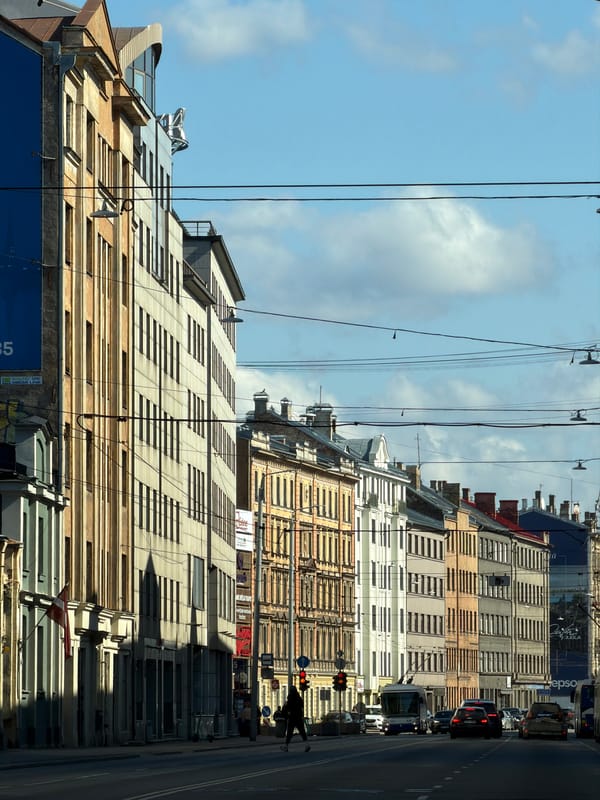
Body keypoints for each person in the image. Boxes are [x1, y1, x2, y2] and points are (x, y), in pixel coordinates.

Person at [280, 686, 310, 752]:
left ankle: (286, 746)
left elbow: (287, 708)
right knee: (302, 732)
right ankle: (307, 745)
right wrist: (301, 716)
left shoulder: (290, 699)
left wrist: (286, 713)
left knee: (289, 733)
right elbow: (302, 709)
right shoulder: (299, 699)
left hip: (292, 717)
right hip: (299, 717)